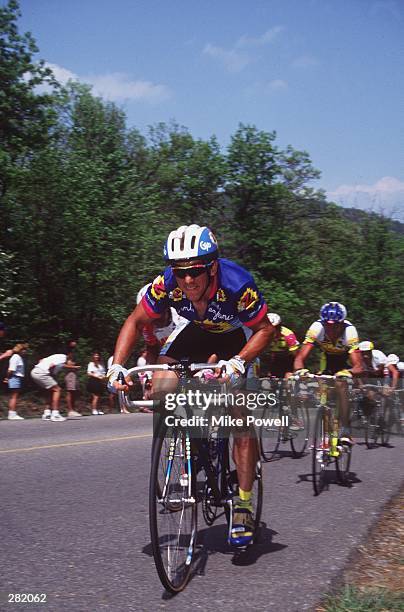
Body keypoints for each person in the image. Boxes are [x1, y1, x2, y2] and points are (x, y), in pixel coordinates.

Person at [108, 224, 273, 546]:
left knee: (239, 419)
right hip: (197, 332)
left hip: (237, 338)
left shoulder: (238, 284)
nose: (187, 281)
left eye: (195, 271)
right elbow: (135, 320)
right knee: (161, 387)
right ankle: (192, 440)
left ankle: (242, 503)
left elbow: (266, 330)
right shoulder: (166, 283)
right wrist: (116, 365)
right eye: (179, 272)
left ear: (212, 266)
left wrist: (239, 362)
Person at [293, 302, 363, 444]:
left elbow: (358, 366)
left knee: (341, 384)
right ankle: (327, 434)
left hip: (344, 361)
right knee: (323, 391)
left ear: (342, 323)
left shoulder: (350, 332)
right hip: (327, 359)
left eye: (335, 326)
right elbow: (300, 357)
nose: (331, 329)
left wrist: (348, 372)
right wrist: (300, 371)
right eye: (328, 325)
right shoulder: (316, 328)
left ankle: (345, 428)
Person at [31, 351, 81, 421]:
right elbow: (51, 366)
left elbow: (41, 360)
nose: (72, 363)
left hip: (35, 372)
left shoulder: (56, 359)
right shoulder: (63, 357)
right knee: (57, 390)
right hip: (42, 372)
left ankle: (47, 413)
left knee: (50, 391)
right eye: (72, 361)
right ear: (69, 358)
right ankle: (55, 414)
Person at [265, 312, 300, 378]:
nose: (271, 331)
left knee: (288, 378)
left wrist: (295, 370)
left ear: (279, 327)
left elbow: (297, 356)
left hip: (288, 359)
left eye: (274, 328)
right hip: (274, 358)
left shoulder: (288, 335)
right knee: (271, 380)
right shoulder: (262, 335)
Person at [5, 343, 29, 420]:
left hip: (16, 377)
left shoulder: (18, 357)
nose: (25, 351)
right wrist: (7, 378)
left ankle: (12, 413)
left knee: (14, 396)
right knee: (14, 396)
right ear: (20, 350)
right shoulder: (16, 357)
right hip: (14, 377)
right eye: (24, 350)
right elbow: (11, 370)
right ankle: (12, 413)